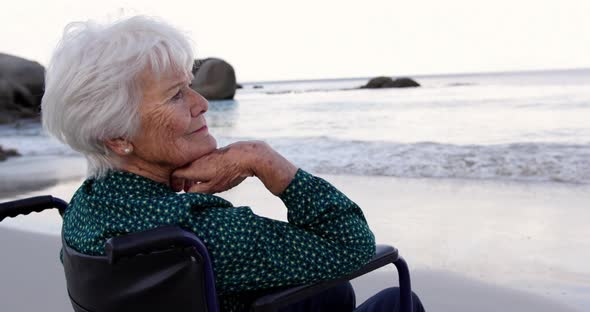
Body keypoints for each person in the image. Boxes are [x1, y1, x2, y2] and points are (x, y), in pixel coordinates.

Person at [41, 16, 425, 312]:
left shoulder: (84, 207)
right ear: (118, 137)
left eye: (190, 84)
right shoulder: (199, 233)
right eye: (176, 95)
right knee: (397, 299)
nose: (201, 102)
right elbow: (352, 245)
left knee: (334, 292)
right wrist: (262, 159)